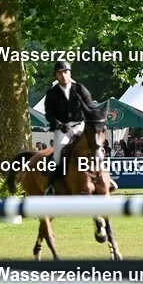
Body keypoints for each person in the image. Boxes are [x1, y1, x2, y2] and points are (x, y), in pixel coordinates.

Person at [43, 61, 94, 195]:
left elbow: (90, 107)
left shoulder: (80, 89)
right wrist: (59, 124)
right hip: (62, 130)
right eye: (60, 73)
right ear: (56, 75)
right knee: (58, 155)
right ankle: (50, 186)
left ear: (70, 73)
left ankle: (105, 179)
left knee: (94, 148)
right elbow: (49, 115)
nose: (63, 75)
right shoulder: (52, 93)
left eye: (66, 72)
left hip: (80, 126)